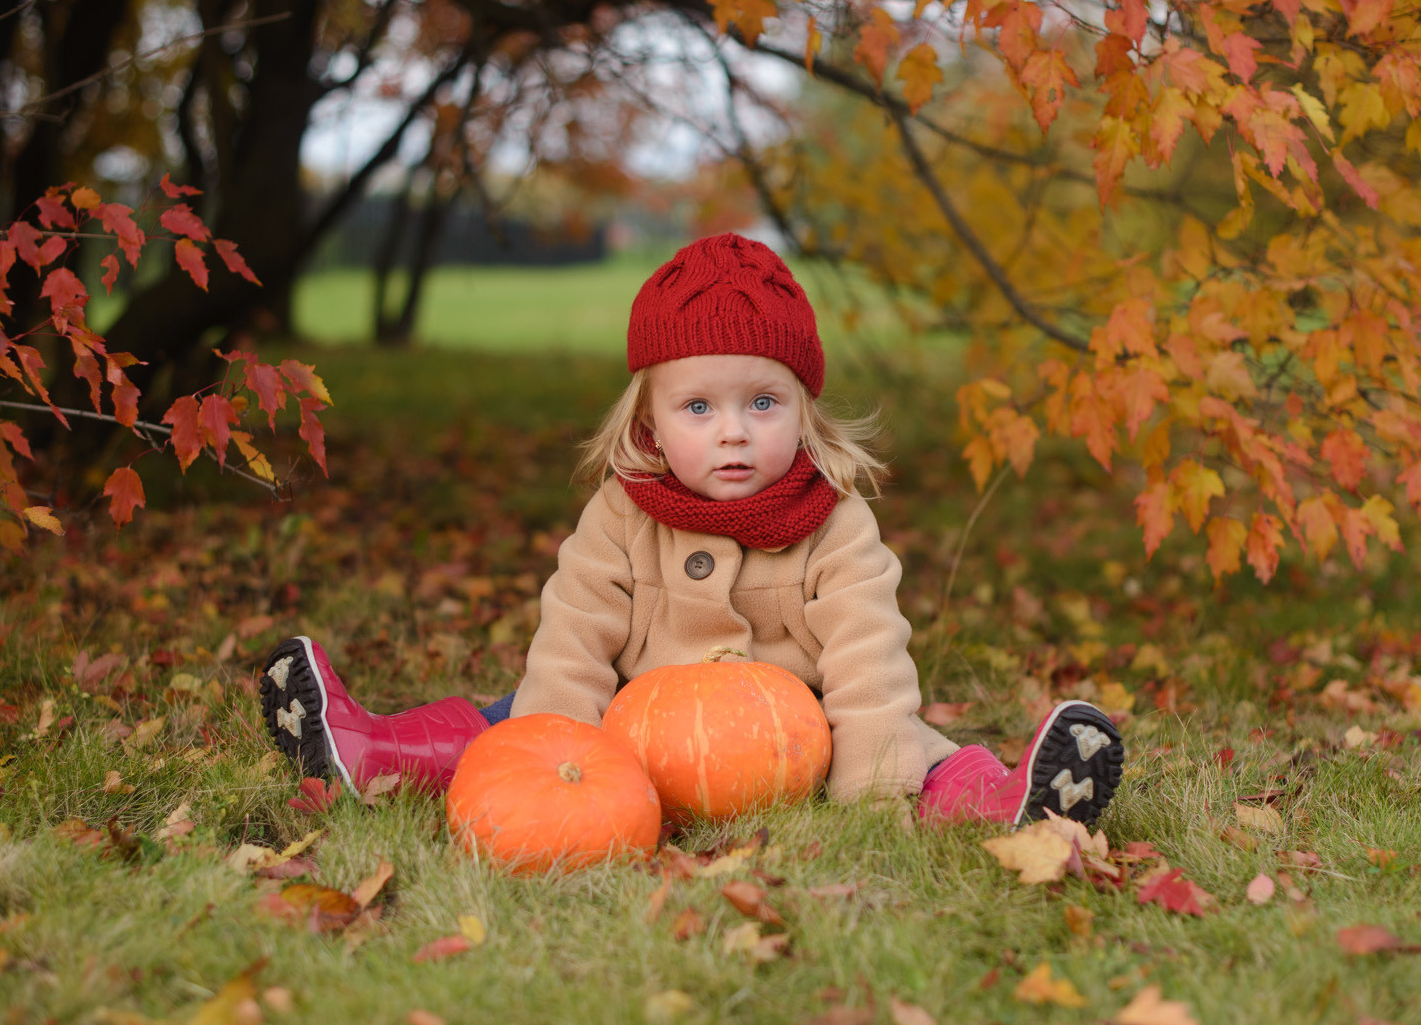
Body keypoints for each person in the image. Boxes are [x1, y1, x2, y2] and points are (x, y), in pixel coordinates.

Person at [257, 233, 1122, 828]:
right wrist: (557, 755)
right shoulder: (623, 513)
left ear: (804, 409)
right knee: (509, 719)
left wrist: (869, 788)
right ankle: (369, 749)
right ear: (651, 418)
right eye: (700, 406)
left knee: (915, 751)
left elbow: (868, 663)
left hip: (795, 749)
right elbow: (576, 635)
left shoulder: (836, 523)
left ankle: (1010, 803)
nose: (734, 431)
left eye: (763, 402)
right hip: (630, 736)